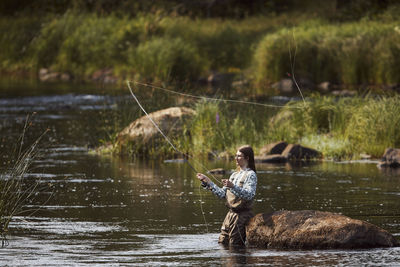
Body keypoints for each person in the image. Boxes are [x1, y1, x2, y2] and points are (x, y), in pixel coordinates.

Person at [196, 145, 257, 247]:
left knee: (234, 247)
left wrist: (232, 186)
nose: (236, 158)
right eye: (235, 156)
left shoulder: (251, 175)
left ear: (247, 158)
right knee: (222, 243)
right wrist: (208, 182)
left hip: (242, 216)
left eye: (239, 156)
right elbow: (222, 194)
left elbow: (249, 195)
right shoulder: (234, 175)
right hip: (230, 215)